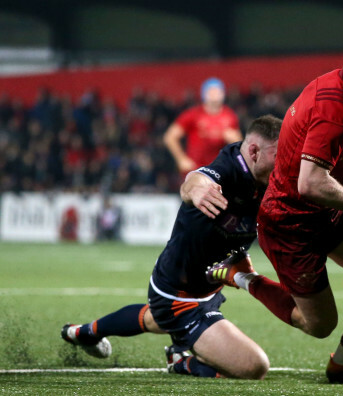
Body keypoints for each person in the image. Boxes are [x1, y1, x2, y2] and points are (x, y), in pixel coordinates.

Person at [208, 25, 343, 384]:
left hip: (325, 207)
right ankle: (242, 275)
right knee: (319, 324)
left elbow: (332, 179)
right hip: (289, 223)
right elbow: (309, 185)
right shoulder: (332, 109)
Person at [61, 115, 282, 379]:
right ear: (255, 152)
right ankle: (180, 362)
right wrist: (196, 190)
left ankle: (84, 332)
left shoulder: (266, 179)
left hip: (202, 286)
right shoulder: (228, 170)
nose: (284, 163)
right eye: (278, 155)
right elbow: (195, 180)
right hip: (181, 294)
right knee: (253, 366)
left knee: (154, 318)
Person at [164, 77, 242, 175]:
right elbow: (170, 137)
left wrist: (234, 141)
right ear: (204, 94)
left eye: (218, 91)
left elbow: (238, 145)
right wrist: (181, 159)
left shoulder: (230, 116)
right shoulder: (193, 114)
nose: (215, 95)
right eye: (211, 91)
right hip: (196, 170)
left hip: (220, 171)